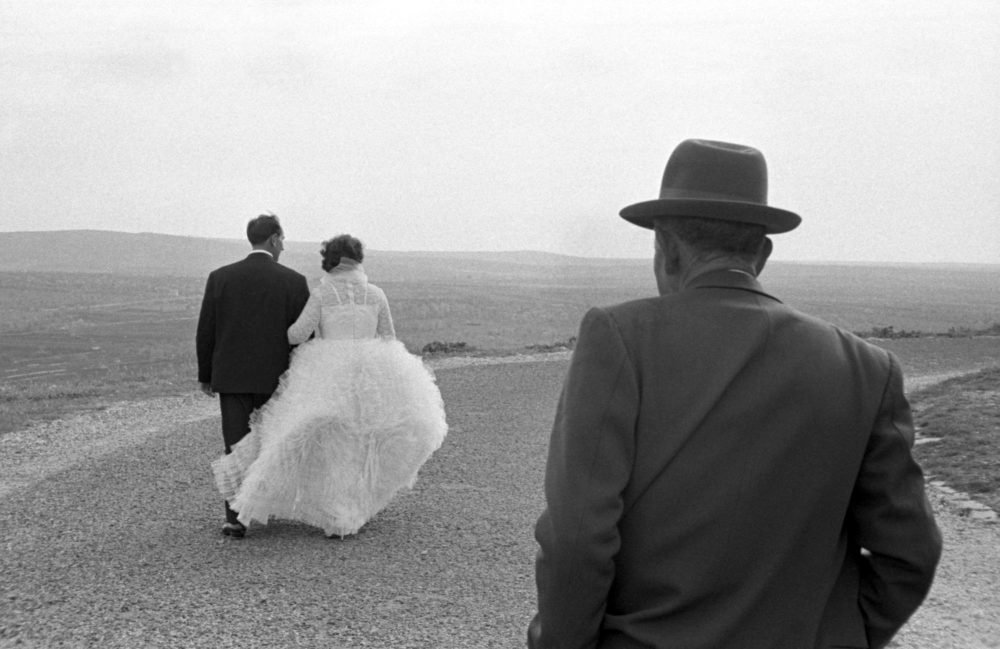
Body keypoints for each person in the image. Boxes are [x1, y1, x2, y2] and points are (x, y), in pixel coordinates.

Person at [528, 139, 942, 649]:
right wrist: (843, 633)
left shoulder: (618, 337)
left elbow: (576, 541)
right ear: (762, 254)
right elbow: (910, 554)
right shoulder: (867, 367)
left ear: (666, 248)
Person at [211, 234, 447, 538]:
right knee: (358, 443)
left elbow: (297, 334)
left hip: (325, 373)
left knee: (305, 439)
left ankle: (255, 508)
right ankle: (347, 512)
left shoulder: (323, 294)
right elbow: (389, 337)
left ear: (330, 261)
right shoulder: (376, 294)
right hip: (370, 375)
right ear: (358, 260)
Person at [196, 214, 311, 539]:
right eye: (283, 240)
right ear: (274, 239)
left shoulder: (220, 278)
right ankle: (263, 506)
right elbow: (304, 336)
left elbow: (206, 331)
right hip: (276, 378)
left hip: (231, 378)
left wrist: (206, 374)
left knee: (235, 445)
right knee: (272, 444)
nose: (284, 246)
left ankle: (236, 518)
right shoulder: (293, 281)